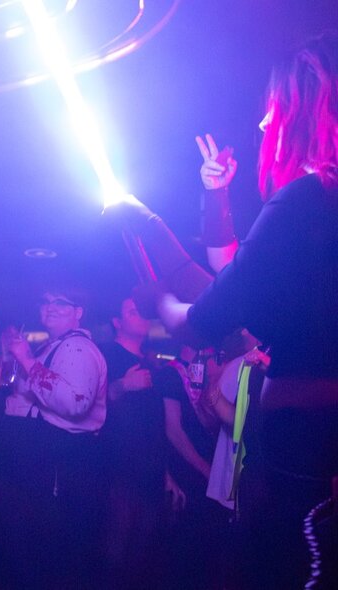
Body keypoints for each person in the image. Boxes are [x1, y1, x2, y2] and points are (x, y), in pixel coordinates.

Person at [156, 33, 338, 588]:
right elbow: (241, 271)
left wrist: (161, 293)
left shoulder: (307, 197)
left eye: (273, 109)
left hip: (305, 447)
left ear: (304, 109)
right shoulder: (315, 205)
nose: (262, 125)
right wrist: (217, 198)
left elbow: (214, 312)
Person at [0, 284, 107, 589]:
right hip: (47, 465)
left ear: (78, 313)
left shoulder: (76, 347)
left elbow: (75, 403)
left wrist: (27, 360)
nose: (51, 307)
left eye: (62, 303)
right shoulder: (55, 346)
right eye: (45, 302)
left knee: (56, 560)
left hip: (66, 467)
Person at [100, 297, 185, 589]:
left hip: (149, 475)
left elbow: (154, 426)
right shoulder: (106, 356)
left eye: (143, 311)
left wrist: (165, 474)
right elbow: (94, 403)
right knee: (113, 557)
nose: (140, 317)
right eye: (132, 312)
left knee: (141, 560)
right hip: (117, 473)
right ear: (117, 322)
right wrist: (122, 385)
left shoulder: (151, 364)